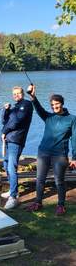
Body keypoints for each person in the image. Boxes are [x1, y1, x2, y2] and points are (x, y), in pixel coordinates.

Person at [26, 85, 76, 215]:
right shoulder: (49, 117)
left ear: (62, 104)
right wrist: (33, 96)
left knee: (59, 181)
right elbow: (38, 108)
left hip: (60, 155)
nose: (54, 106)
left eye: (57, 104)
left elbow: (74, 139)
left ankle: (60, 205)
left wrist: (74, 157)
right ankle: (38, 202)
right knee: (40, 179)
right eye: (52, 105)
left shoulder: (72, 119)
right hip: (43, 153)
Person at [0, 86, 33, 209]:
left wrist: (5, 131)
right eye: (14, 94)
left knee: (11, 167)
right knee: (5, 165)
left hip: (16, 140)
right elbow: (4, 121)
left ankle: (13, 197)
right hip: (9, 140)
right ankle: (13, 189)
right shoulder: (15, 107)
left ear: (22, 94)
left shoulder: (26, 105)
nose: (16, 95)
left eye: (18, 93)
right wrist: (6, 110)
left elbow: (17, 121)